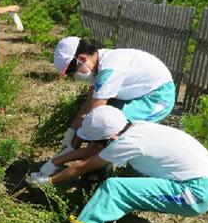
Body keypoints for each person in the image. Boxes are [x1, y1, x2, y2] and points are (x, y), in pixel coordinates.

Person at [29, 105, 208, 223]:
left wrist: (49, 181)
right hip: (201, 178)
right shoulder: (135, 127)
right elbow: (96, 151)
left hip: (194, 193)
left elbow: (83, 166)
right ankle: (97, 215)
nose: (93, 145)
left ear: (109, 138)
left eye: (95, 141)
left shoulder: (126, 143)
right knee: (123, 173)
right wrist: (56, 161)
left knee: (114, 188)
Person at [41, 37, 176, 176]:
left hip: (156, 97)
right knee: (100, 128)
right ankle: (96, 168)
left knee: (109, 130)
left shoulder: (109, 70)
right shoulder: (98, 62)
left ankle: (107, 171)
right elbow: (87, 106)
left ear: (81, 58)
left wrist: (60, 158)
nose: (74, 76)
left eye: (72, 71)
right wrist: (71, 134)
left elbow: (94, 116)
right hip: (134, 93)